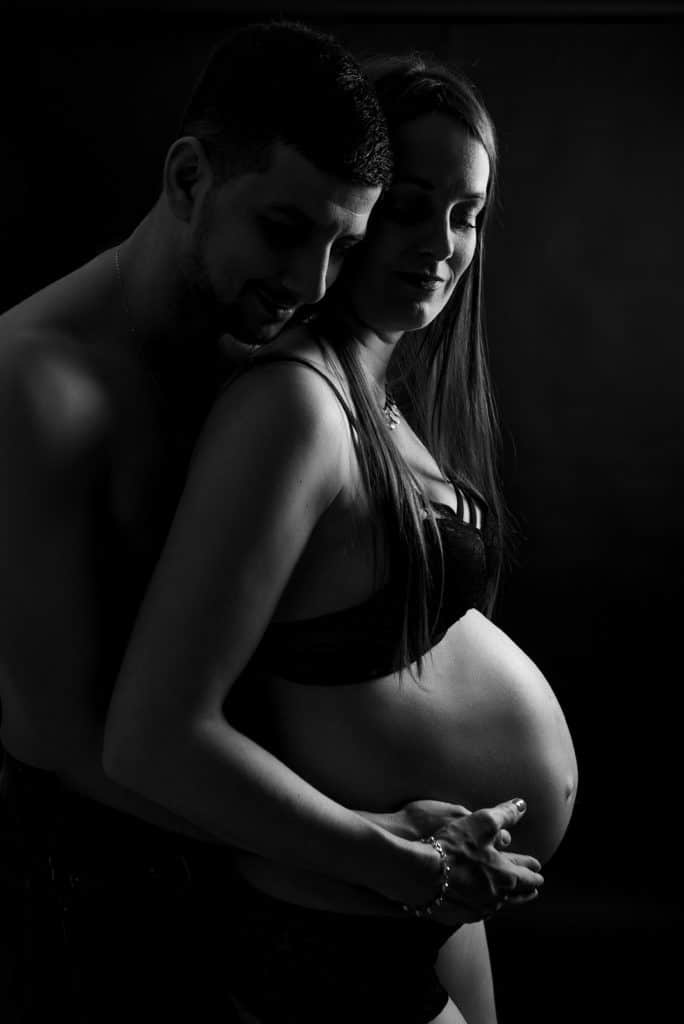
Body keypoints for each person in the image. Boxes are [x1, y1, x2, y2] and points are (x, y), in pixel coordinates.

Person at [0, 21, 542, 1024]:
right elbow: (66, 745)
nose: (309, 283)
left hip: (290, 860)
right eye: (285, 230)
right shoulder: (37, 387)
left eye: (344, 243)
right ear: (188, 178)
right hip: (117, 898)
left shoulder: (258, 341)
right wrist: (364, 849)